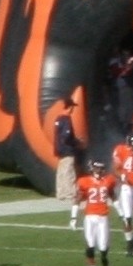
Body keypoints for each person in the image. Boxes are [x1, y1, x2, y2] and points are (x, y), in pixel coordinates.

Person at [53, 97, 83, 228]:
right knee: (68, 172)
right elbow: (66, 136)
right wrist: (77, 142)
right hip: (67, 150)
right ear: (70, 107)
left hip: (58, 150)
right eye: (72, 107)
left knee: (61, 172)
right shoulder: (66, 119)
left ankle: (60, 192)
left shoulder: (57, 119)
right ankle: (70, 193)